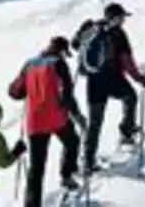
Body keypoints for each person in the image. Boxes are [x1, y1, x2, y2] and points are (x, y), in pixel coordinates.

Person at [71, 2, 145, 174]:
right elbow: (127, 61)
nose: (123, 21)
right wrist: (139, 78)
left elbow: (74, 45)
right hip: (112, 78)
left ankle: (88, 161)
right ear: (116, 17)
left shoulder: (92, 28)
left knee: (95, 122)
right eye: (122, 17)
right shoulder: (118, 34)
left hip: (93, 82)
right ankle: (126, 133)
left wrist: (80, 33)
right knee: (131, 97)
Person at [8, 36, 86, 206]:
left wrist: (29, 90)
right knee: (72, 142)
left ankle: (31, 204)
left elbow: (14, 92)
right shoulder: (58, 63)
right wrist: (78, 116)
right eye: (65, 53)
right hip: (57, 118)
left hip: (35, 121)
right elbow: (67, 95)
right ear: (62, 51)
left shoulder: (29, 64)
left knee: (36, 168)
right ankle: (67, 175)